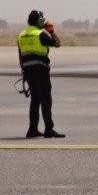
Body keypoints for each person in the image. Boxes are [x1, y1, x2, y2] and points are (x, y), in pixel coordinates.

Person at [16, 10, 61, 138]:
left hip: (28, 72)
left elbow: (20, 56)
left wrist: (24, 72)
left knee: (35, 100)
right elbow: (58, 43)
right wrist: (51, 31)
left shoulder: (21, 35)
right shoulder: (40, 34)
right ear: (40, 21)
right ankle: (49, 129)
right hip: (41, 71)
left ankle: (32, 129)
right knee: (46, 99)